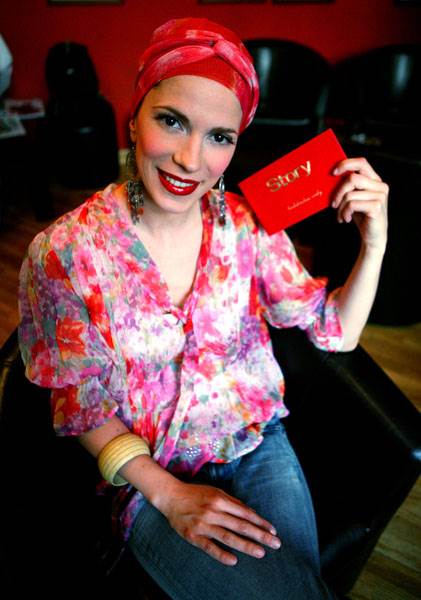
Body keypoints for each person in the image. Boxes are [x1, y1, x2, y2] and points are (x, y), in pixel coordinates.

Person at [18, 18, 388, 600]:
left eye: (220, 136)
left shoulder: (246, 225)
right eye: (172, 121)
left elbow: (336, 332)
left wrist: (376, 241)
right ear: (134, 118)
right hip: (148, 477)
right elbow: (78, 403)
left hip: (254, 442)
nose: (192, 159)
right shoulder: (65, 254)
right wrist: (167, 493)